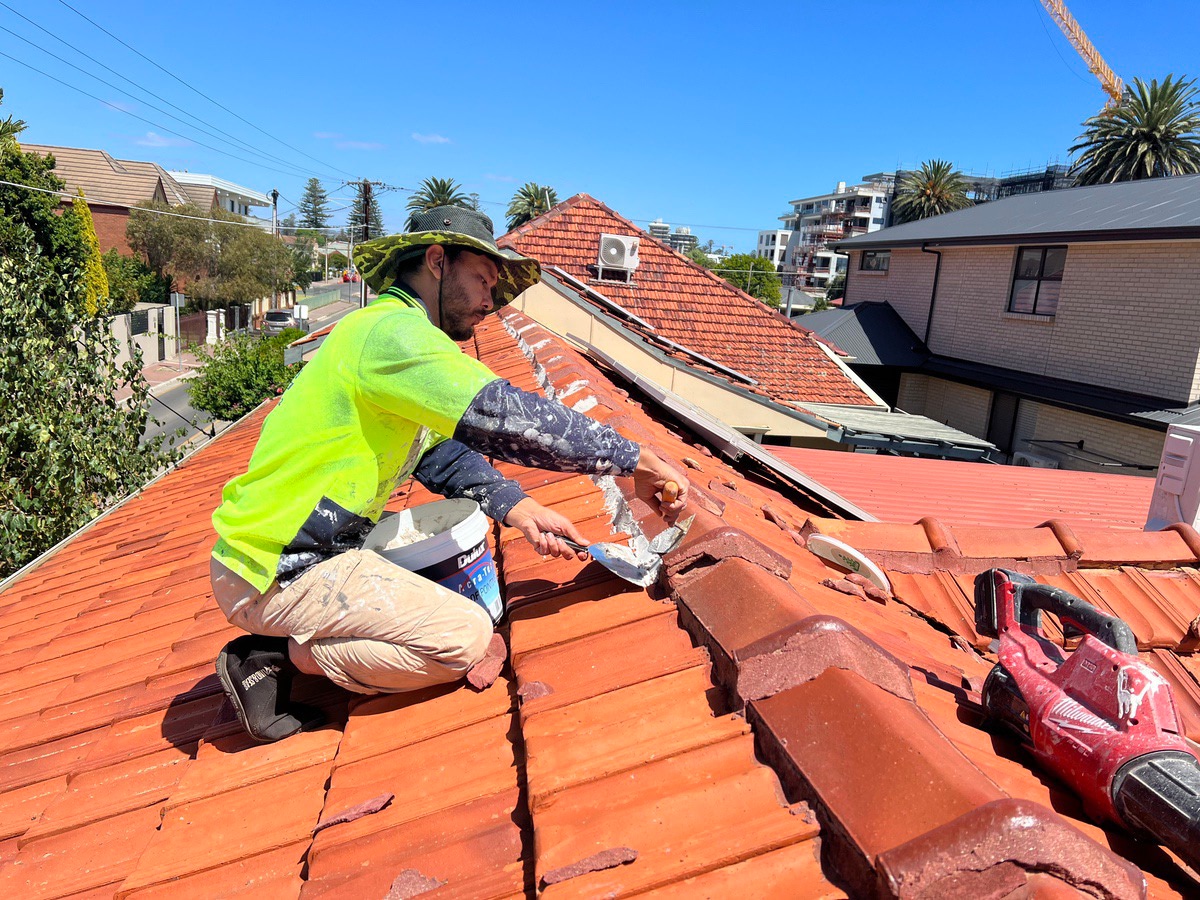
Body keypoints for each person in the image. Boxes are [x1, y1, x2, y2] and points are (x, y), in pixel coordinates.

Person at [210, 206, 687, 742]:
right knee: (463, 636)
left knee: (448, 586)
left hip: (305, 548)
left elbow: (439, 454)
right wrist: (635, 460)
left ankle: (292, 641)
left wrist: (521, 508)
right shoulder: (394, 334)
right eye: (482, 280)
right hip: (279, 565)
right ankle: (275, 655)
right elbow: (504, 416)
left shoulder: (389, 334)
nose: (489, 300)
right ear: (437, 262)